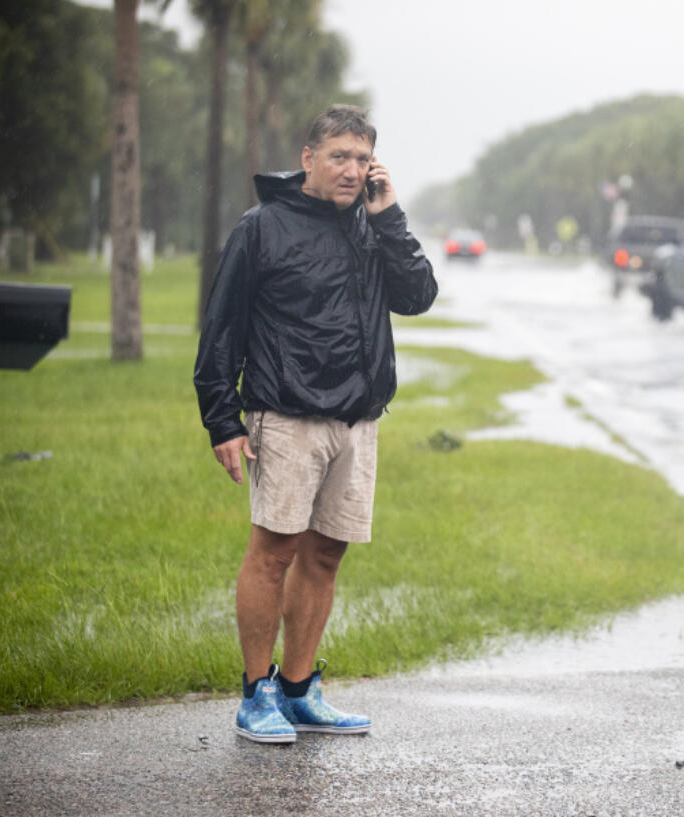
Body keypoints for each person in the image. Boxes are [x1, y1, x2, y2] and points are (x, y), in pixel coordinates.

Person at [194, 104, 437, 744]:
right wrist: (223, 420)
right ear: (308, 159)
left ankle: (299, 691)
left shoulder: (373, 225)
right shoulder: (262, 228)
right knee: (273, 553)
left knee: (325, 556)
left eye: (363, 158)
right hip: (286, 414)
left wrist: (390, 218)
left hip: (358, 420)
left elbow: (417, 295)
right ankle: (256, 695)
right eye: (340, 157)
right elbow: (222, 328)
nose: (353, 170)